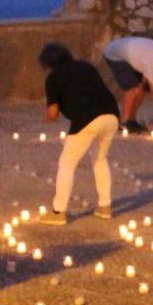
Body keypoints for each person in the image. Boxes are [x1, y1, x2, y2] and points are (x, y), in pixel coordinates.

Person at [35, 42, 119, 223]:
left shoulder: (53, 78)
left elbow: (53, 113)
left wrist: (47, 117)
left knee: (67, 164)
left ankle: (58, 212)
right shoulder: (86, 67)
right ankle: (105, 206)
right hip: (111, 115)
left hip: (86, 119)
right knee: (99, 159)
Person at [103, 34, 153, 134]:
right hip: (114, 54)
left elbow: (146, 86)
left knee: (141, 88)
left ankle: (131, 121)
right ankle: (124, 123)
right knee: (132, 88)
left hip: (128, 53)